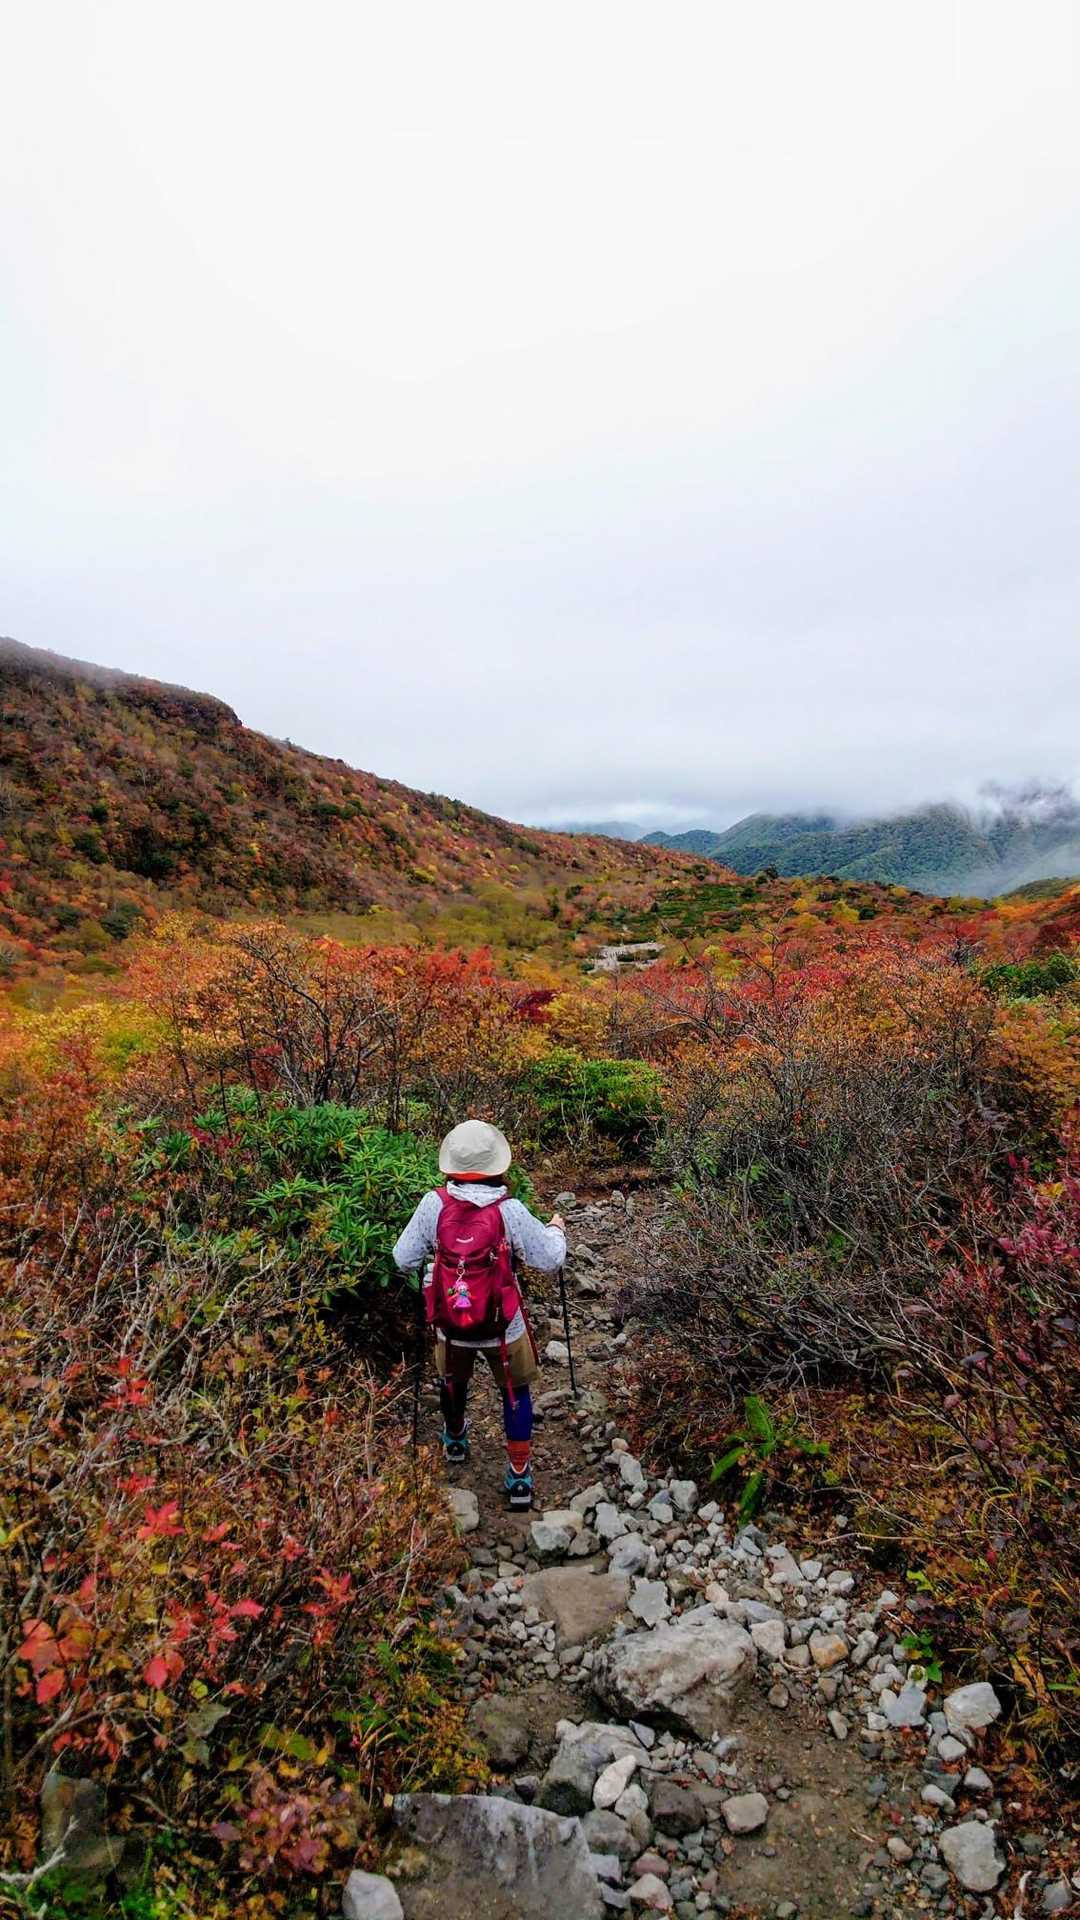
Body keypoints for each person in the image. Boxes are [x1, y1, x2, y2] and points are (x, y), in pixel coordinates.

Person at [392, 1120, 566, 1510]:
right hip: (504, 1324)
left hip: (450, 1321)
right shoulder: (510, 1210)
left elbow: (402, 1259)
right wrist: (557, 1230)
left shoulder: (434, 1205)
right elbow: (551, 1259)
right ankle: (519, 1475)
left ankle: (455, 1439)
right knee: (514, 1390)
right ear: (498, 1165)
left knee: (453, 1379)